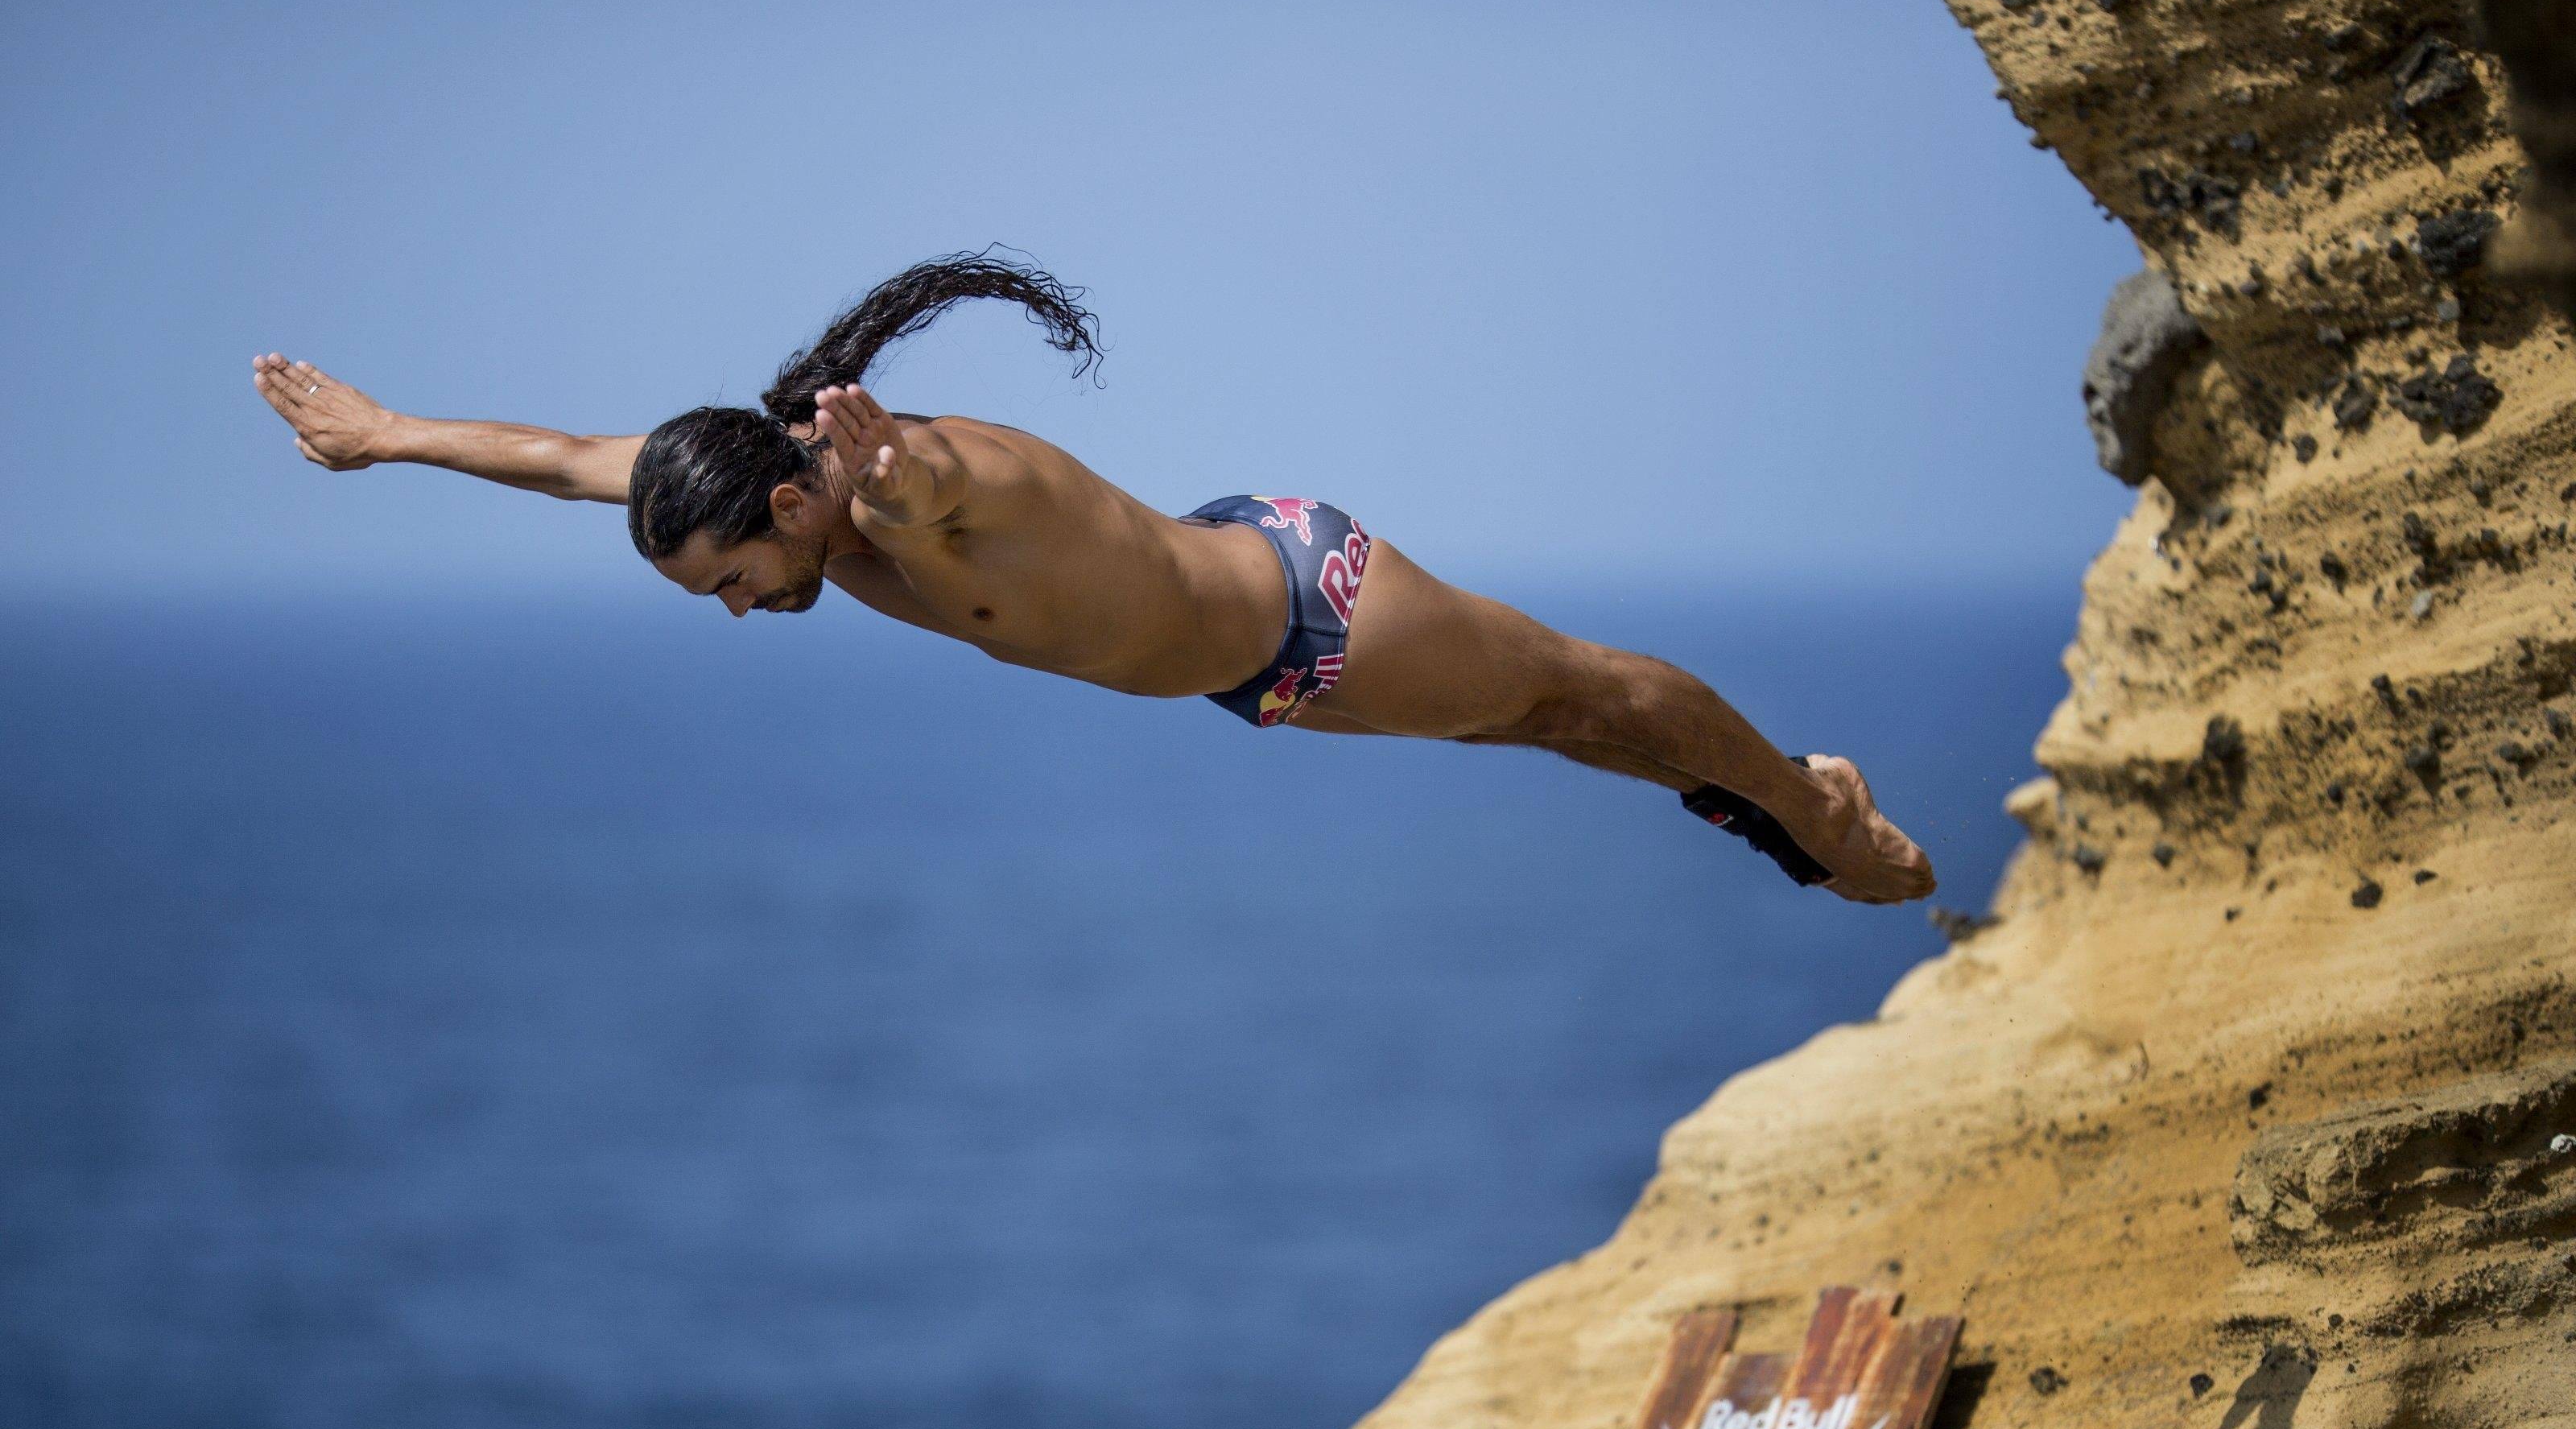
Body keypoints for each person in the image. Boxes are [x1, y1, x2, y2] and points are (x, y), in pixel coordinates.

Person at [251, 252, 1934, 902]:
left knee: (1581, 686)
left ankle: (1809, 805)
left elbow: (931, 483)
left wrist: (894, 468)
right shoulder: (748, 482)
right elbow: (560, 456)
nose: (744, 610)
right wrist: (387, 434)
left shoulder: (908, 492)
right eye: (717, 598)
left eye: (739, 580)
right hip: (1253, 673)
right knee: (1546, 729)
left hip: (1316, 606)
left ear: (794, 497)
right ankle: (1757, 803)